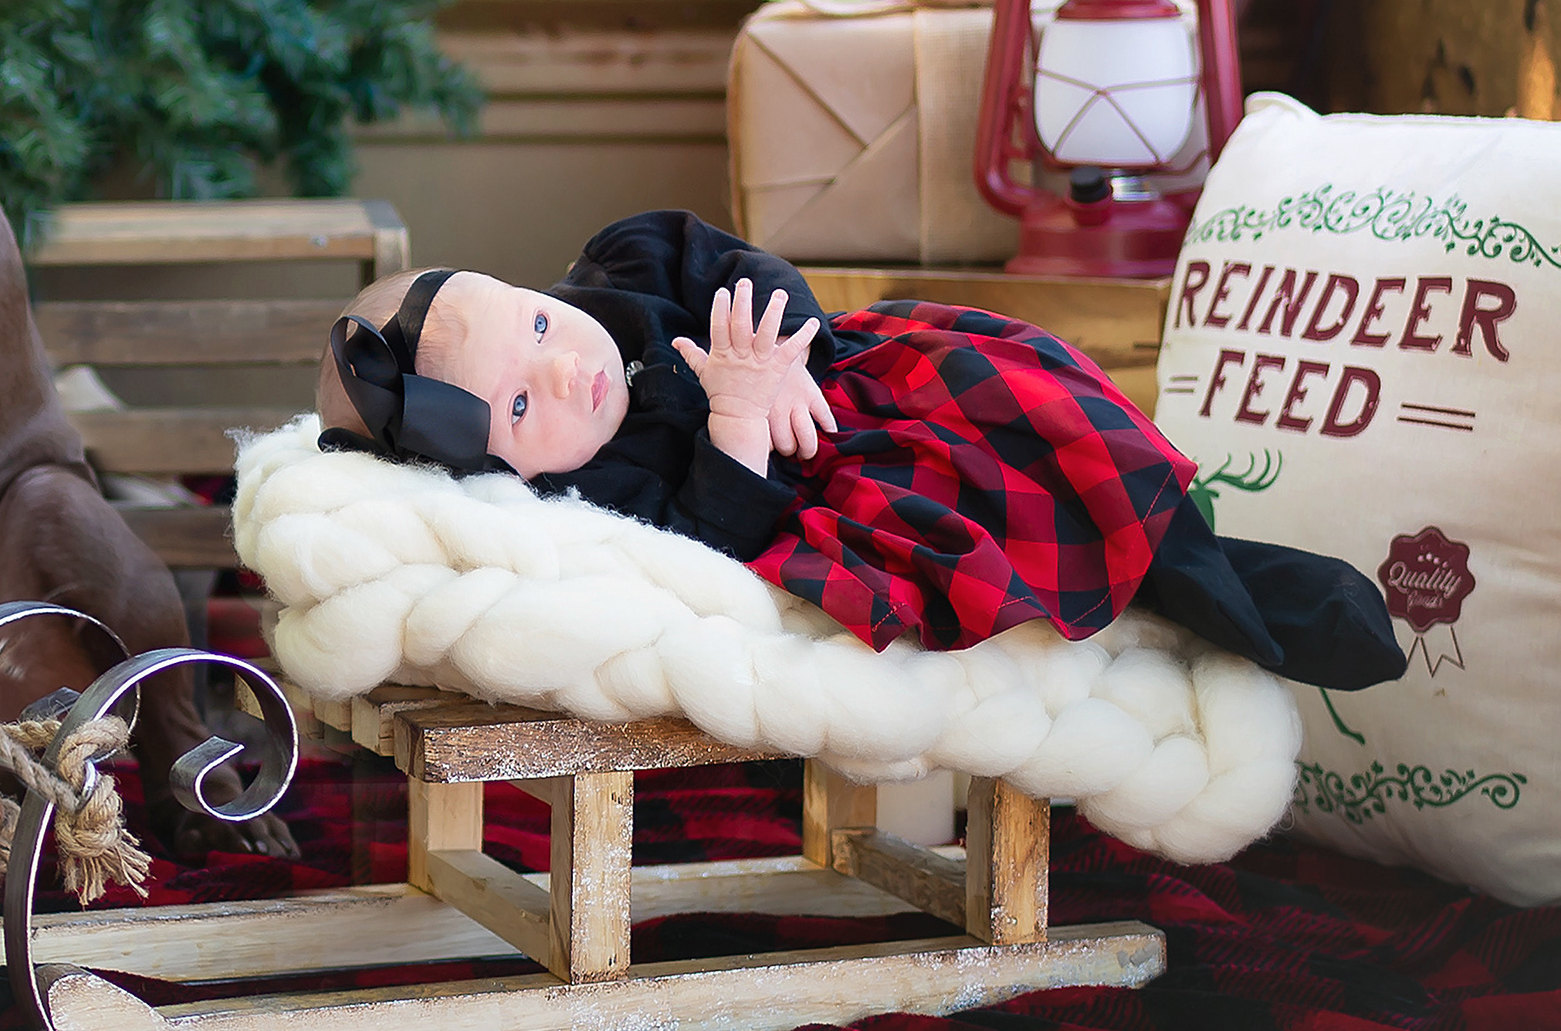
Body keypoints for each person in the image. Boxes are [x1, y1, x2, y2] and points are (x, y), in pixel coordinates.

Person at [317, 209, 1403, 690]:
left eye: (536, 324)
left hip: (867, 379)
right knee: (998, 530)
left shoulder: (628, 269)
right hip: (857, 487)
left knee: (1043, 414)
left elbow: (750, 269)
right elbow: (710, 538)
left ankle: (1196, 555)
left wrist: (787, 353)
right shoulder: (599, 494)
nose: (564, 370)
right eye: (517, 405)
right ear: (501, 476)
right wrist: (737, 423)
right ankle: (1211, 599)